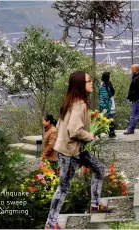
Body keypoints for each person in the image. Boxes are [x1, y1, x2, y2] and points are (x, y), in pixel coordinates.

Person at [45, 71, 110, 229]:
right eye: (88, 81)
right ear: (81, 84)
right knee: (63, 187)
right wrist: (90, 136)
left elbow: (62, 125)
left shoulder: (72, 101)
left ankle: (95, 204)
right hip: (69, 152)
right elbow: (74, 130)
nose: (91, 83)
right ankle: (50, 224)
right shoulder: (79, 104)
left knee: (99, 168)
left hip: (75, 150)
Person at [99, 72, 116, 138]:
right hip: (106, 106)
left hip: (109, 104)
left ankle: (111, 133)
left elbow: (112, 93)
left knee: (110, 119)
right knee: (106, 119)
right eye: (109, 76)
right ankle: (109, 133)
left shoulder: (108, 83)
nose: (110, 78)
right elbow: (103, 97)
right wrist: (105, 107)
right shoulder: (103, 85)